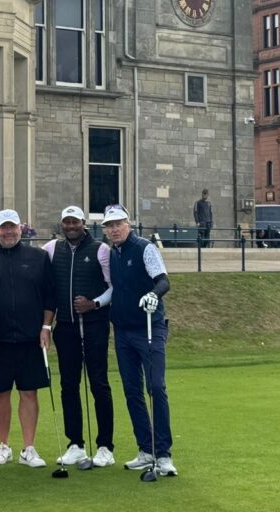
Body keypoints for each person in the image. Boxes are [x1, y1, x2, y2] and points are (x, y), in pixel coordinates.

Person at [0, 209, 56, 468]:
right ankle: (3, 445)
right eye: (3, 228)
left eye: (12, 227)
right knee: (0, 392)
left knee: (29, 392)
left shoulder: (38, 257)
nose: (8, 232)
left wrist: (46, 327)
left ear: (21, 229)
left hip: (30, 338)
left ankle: (28, 448)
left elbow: (49, 296)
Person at [102, 204, 177, 477]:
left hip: (150, 327)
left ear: (128, 224)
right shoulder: (112, 253)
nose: (114, 229)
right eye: (109, 226)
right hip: (122, 331)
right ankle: (146, 450)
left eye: (118, 224)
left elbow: (163, 280)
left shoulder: (145, 248)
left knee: (155, 387)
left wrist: (154, 295)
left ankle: (164, 454)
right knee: (132, 391)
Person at [43, 206, 115, 468]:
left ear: (83, 223)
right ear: (62, 224)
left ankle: (105, 446)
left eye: (75, 221)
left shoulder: (100, 250)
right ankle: (75, 444)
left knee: (98, 384)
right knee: (69, 387)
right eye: (66, 222)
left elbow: (112, 288)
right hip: (66, 327)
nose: (71, 225)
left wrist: (94, 304)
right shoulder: (53, 249)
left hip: (94, 325)